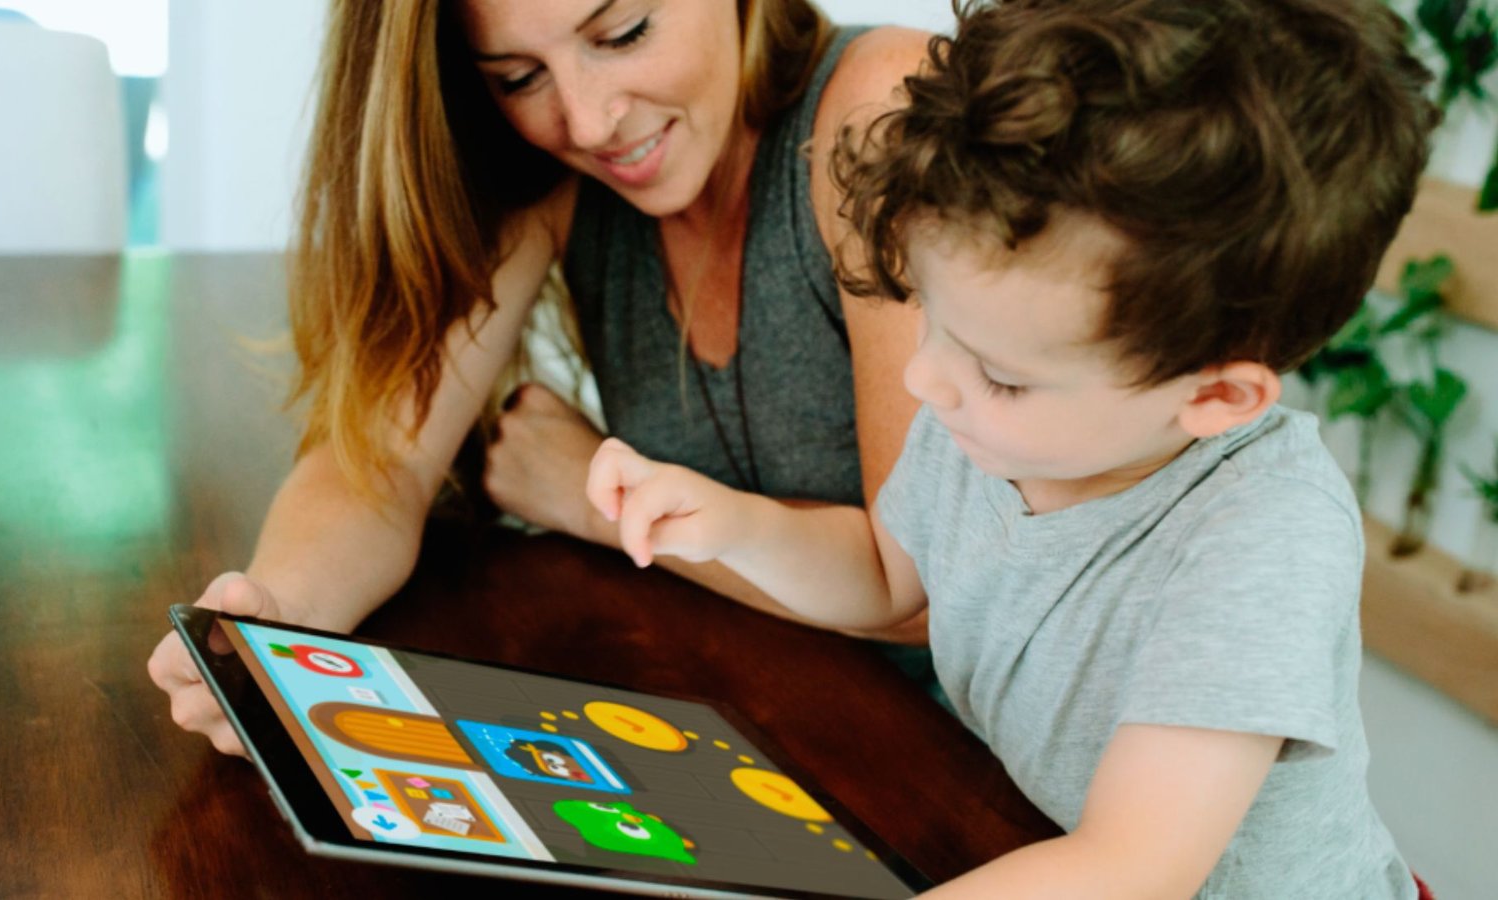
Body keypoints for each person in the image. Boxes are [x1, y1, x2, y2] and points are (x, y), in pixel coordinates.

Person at [586, 0, 1439, 895]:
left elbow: (1128, 867)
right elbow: (886, 581)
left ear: (1216, 397)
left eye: (999, 371)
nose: (926, 381)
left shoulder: (1264, 536)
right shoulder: (993, 429)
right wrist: (729, 527)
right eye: (936, 321)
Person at [149, 0, 940, 756]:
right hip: (785, 724)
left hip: (977, 758)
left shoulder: (881, 107)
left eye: (624, 31)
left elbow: (925, 599)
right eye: (518, 77)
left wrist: (592, 505)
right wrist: (277, 625)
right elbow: (381, 464)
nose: (590, 121)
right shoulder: (555, 176)